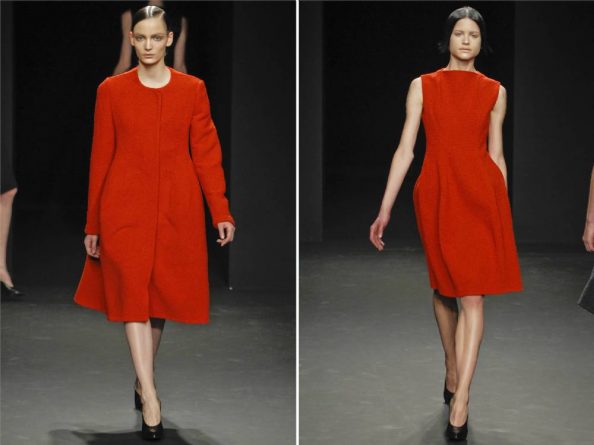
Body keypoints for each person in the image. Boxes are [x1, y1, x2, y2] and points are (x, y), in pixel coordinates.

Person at [73, 5, 235, 441]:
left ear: (170, 40)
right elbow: (100, 157)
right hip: (123, 206)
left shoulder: (192, 89)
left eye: (156, 37)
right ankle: (150, 396)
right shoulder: (111, 90)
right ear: (131, 40)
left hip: (177, 208)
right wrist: (93, 223)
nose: (148, 45)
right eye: (141, 37)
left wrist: (220, 210)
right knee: (132, 295)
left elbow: (207, 153)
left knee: (158, 297)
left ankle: (143, 376)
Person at [369, 6, 522, 442]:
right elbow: (406, 149)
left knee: (473, 295)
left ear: (482, 41)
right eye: (459, 33)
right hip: (436, 193)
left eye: (474, 34)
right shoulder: (423, 85)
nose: (466, 40)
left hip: (480, 196)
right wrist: (385, 208)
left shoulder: (495, 91)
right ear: (448, 39)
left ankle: (462, 399)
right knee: (443, 288)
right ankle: (452, 366)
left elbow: (496, 154)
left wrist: (502, 210)